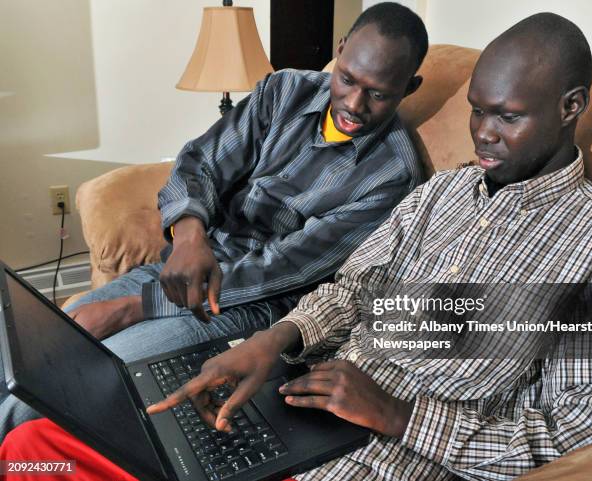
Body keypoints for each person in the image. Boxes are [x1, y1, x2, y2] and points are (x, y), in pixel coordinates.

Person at [3, 11, 592, 481]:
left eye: (505, 117)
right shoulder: (444, 193)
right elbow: (354, 289)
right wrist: (275, 343)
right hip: (293, 402)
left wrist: (401, 416)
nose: (482, 133)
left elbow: (579, 427)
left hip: (380, 453)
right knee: (34, 447)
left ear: (570, 107)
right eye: (477, 112)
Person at [0, 3, 428, 439]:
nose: (353, 104)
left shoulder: (394, 175)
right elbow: (199, 164)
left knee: (58, 386)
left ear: (409, 87)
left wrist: (135, 307)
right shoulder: (284, 90)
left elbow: (281, 270)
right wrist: (188, 237)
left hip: (249, 305)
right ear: (339, 53)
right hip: (186, 264)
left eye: (378, 93)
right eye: (347, 78)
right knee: (22, 347)